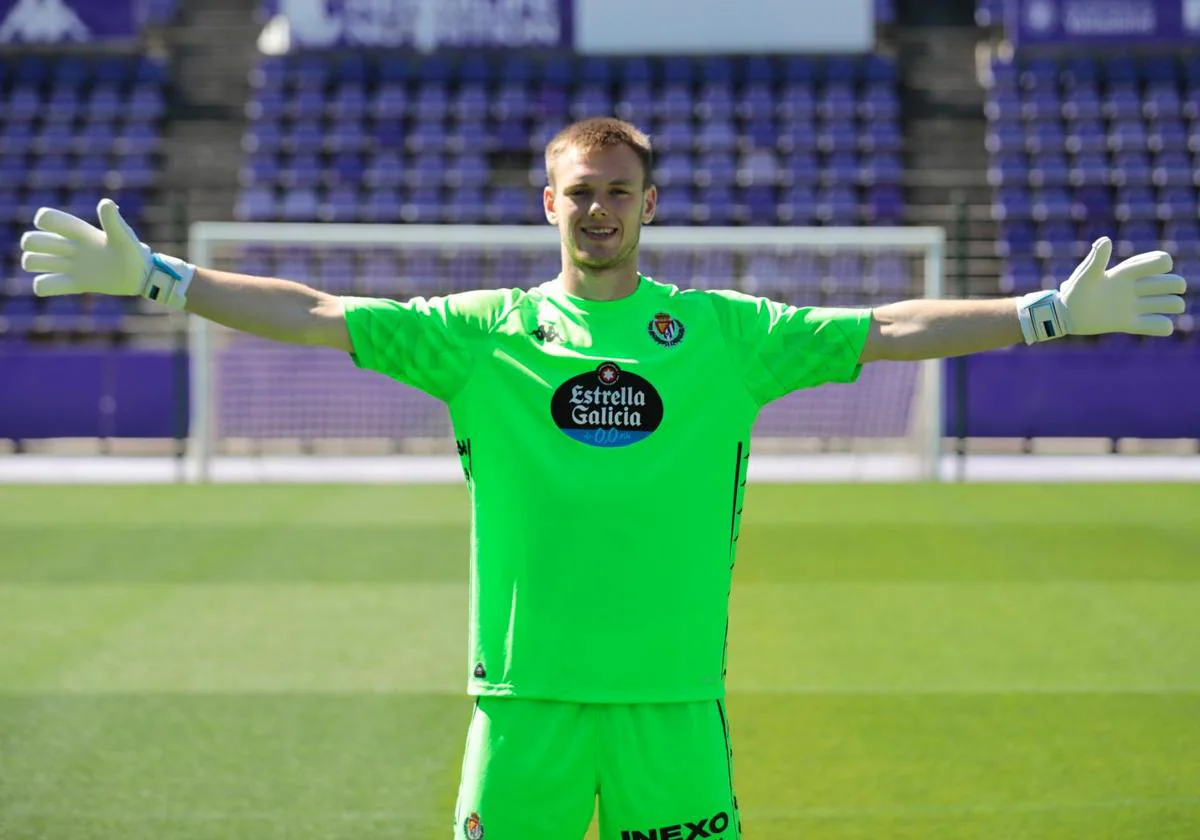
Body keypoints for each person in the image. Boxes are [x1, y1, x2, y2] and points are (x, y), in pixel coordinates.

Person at [19, 117, 1187, 840]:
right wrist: (164, 278)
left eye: (619, 190)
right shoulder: (483, 333)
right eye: (579, 190)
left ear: (649, 204)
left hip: (672, 707)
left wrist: (1043, 315)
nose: (599, 208)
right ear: (549, 203)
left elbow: (886, 327)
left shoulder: (727, 332)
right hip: (521, 708)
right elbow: (320, 312)